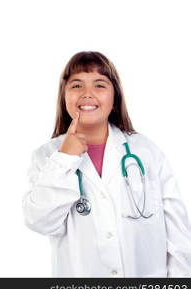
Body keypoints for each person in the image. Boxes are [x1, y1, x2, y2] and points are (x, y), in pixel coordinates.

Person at [22, 51, 191, 277]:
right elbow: (40, 222)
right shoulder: (47, 156)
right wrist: (65, 160)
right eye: (76, 86)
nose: (87, 94)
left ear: (115, 100)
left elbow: (179, 237)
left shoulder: (146, 152)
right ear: (64, 98)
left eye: (99, 85)